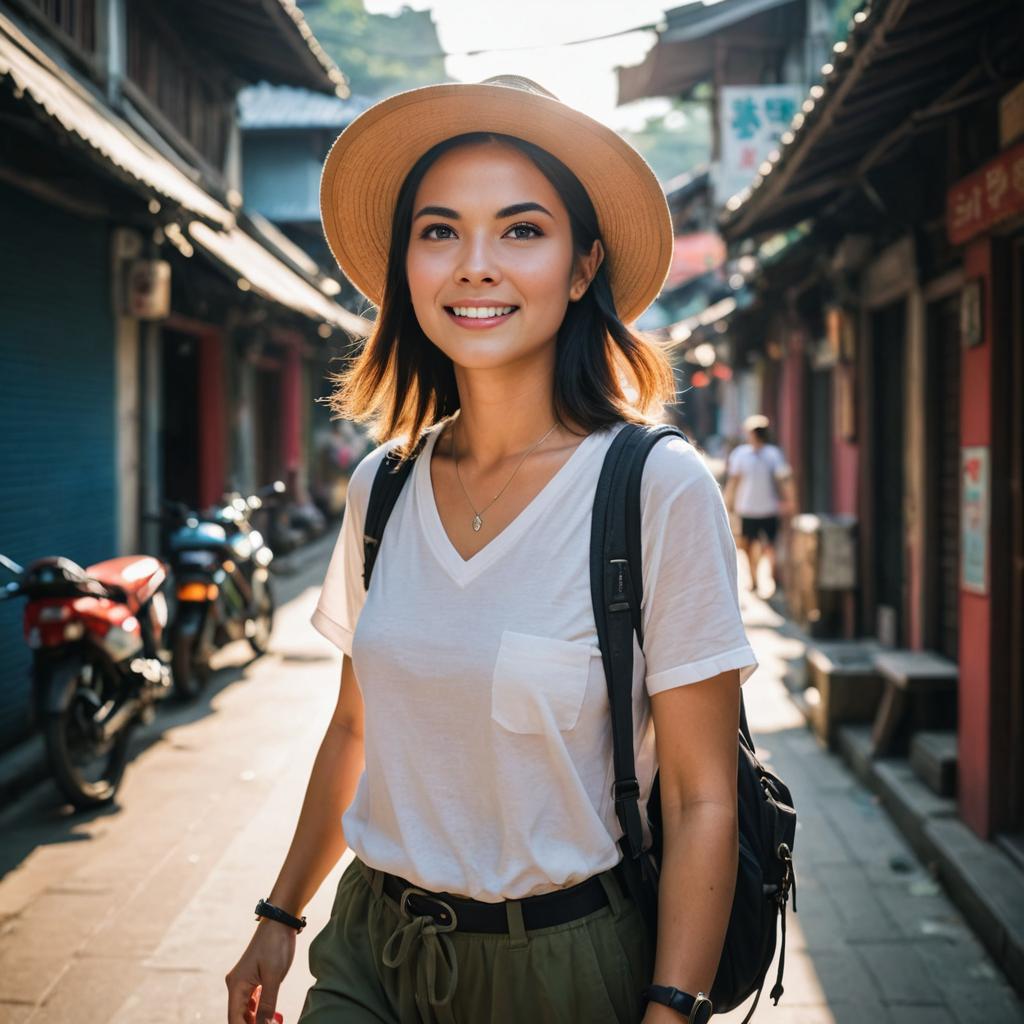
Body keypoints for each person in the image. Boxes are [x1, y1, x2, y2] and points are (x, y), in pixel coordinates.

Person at [225, 76, 757, 1024]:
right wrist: (280, 912)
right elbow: (356, 728)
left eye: (520, 230)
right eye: (439, 232)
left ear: (583, 265)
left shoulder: (652, 489)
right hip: (370, 950)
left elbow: (706, 799)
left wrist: (672, 1009)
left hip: (560, 966)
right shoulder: (381, 486)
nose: (476, 265)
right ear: (408, 268)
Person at [723, 414, 795, 597]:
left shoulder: (773, 454)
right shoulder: (741, 454)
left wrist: (790, 502)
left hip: (768, 508)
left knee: (769, 546)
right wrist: (727, 502)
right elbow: (734, 481)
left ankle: (772, 578)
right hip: (747, 508)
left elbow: (783, 480)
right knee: (747, 546)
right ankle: (754, 579)